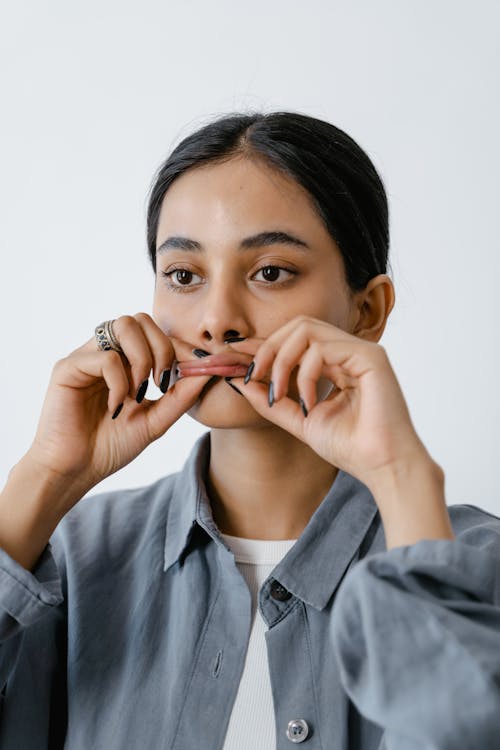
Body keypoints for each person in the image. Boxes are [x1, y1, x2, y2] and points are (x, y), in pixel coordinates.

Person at [0, 111, 499, 750]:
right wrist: (44, 476)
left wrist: (403, 476)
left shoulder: (476, 567)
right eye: (184, 275)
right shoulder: (71, 560)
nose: (217, 320)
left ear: (367, 310)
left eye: (270, 272)